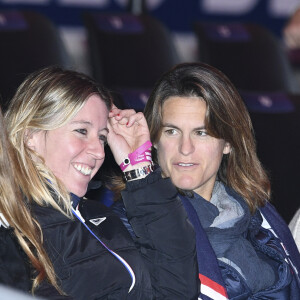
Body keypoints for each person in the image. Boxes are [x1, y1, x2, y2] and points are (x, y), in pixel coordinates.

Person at [2, 66, 198, 299]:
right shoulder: (15, 223)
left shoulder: (100, 218)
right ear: (30, 135)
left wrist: (138, 166)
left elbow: (177, 291)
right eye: (82, 131)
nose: (98, 151)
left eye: (102, 137)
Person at [142, 62, 300, 299]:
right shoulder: (135, 222)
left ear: (227, 143)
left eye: (201, 132)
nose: (185, 148)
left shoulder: (262, 216)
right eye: (171, 131)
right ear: (154, 139)